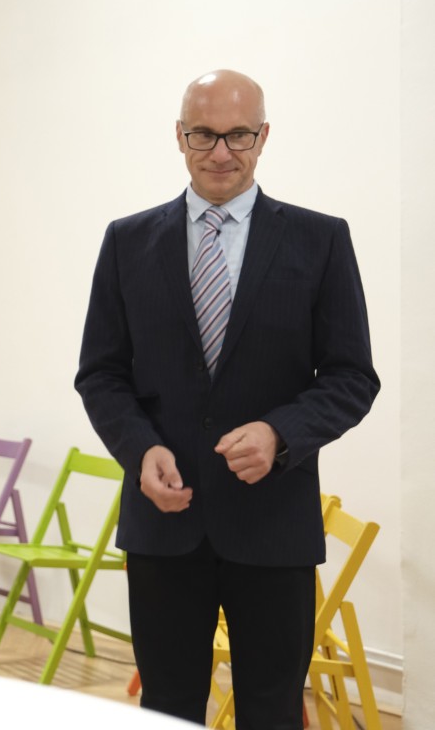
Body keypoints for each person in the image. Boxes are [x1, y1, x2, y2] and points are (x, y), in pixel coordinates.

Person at [74, 70, 379, 727]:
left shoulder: (320, 239)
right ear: (179, 136)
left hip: (273, 525)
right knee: (166, 708)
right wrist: (140, 448)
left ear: (264, 136)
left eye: (238, 135)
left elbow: (353, 376)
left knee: (271, 710)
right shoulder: (127, 242)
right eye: (203, 135)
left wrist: (280, 433)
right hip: (164, 523)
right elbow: (100, 373)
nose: (220, 152)